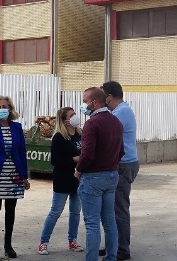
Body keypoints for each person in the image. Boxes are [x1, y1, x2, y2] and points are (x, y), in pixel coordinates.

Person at [75, 87, 124, 261]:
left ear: (94, 102)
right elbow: (121, 151)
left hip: (93, 177)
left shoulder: (92, 123)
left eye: (85, 101)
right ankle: (111, 257)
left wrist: (79, 170)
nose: (83, 105)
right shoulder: (115, 121)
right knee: (109, 221)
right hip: (112, 175)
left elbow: (87, 154)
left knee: (92, 224)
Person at [0, 96, 30, 261]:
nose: (2, 109)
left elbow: (22, 152)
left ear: (10, 109)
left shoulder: (16, 127)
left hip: (14, 176)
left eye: (5, 106)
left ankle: (8, 244)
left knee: (11, 210)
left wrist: (24, 176)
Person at [37, 107, 84, 255]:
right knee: (55, 212)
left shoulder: (79, 134)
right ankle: (43, 242)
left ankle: (72, 241)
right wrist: (74, 159)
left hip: (78, 179)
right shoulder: (58, 137)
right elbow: (55, 160)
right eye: (71, 115)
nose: (75, 117)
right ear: (65, 120)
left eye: (75, 114)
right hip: (63, 180)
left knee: (76, 212)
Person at [101, 81, 137, 261]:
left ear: (109, 97)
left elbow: (106, 133)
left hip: (124, 164)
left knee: (119, 209)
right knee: (112, 209)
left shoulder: (120, 113)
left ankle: (122, 249)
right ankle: (112, 247)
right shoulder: (119, 111)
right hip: (124, 163)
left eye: (102, 96)